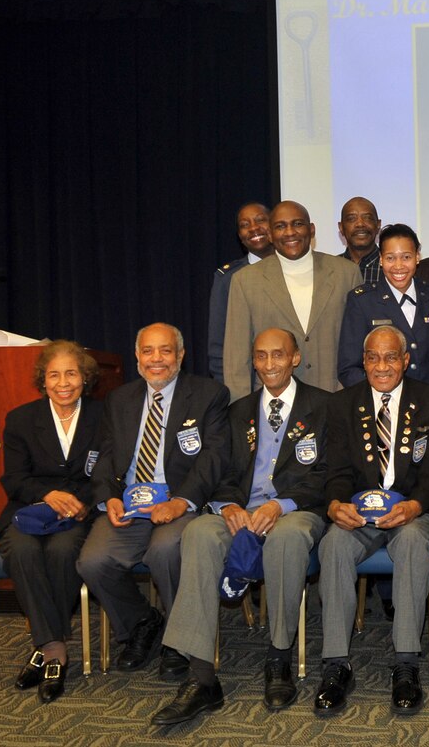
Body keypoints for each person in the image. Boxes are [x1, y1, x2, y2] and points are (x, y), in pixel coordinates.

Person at [151, 328, 329, 725]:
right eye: (261, 356)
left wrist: (280, 506)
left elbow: (328, 474)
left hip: (297, 510)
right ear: (253, 361)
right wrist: (229, 505)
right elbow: (222, 471)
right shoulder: (237, 411)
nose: (269, 364)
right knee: (198, 532)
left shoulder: (324, 407)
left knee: (287, 537)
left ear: (295, 358)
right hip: (241, 511)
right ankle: (202, 679)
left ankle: (279, 658)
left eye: (278, 355)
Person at [77, 323, 230, 679]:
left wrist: (182, 501)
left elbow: (215, 457)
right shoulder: (119, 399)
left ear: (180, 355)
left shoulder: (209, 394)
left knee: (166, 551)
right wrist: (107, 499)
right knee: (93, 562)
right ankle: (142, 623)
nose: (156, 359)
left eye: (165, 351)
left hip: (178, 503)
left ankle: (179, 641)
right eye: (148, 351)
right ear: (136, 356)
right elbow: (105, 455)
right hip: (129, 505)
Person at [316, 326, 429, 716]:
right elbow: (337, 470)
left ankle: (406, 664)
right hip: (360, 512)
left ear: (405, 360)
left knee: (411, 544)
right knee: (333, 544)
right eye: (373, 357)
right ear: (363, 361)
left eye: (390, 357)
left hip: (412, 510)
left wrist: (414, 506)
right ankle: (335, 664)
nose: (381, 366)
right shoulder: (343, 404)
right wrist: (336, 504)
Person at [0, 340, 103, 703]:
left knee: (63, 551)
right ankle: (55, 647)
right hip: (30, 511)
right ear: (43, 380)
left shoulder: (103, 417)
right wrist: (47, 495)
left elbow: (109, 473)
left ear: (85, 378)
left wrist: (83, 502)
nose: (63, 382)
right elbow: (14, 479)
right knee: (22, 551)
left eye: (71, 373)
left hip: (78, 515)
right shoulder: (21, 419)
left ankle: (44, 649)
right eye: (54, 374)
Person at [224, 200, 362, 400]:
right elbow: (236, 358)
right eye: (280, 226)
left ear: (312, 229)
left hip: (338, 398)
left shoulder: (346, 273)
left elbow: (359, 347)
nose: (290, 232)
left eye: (298, 224)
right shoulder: (245, 280)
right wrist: (242, 413)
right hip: (273, 401)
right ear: (270, 234)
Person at [338, 224, 429, 387]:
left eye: (406, 257)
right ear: (381, 259)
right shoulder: (362, 301)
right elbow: (349, 369)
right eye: (390, 258)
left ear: (417, 256)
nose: (399, 266)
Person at [207, 202, 273, 383]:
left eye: (261, 220)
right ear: (239, 236)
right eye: (245, 225)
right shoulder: (228, 278)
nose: (254, 228)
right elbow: (218, 346)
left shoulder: (294, 270)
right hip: (250, 386)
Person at [338, 196, 383, 285]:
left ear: (378, 225)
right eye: (351, 219)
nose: (360, 224)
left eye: (367, 218)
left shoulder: (392, 268)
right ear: (341, 227)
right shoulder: (331, 268)